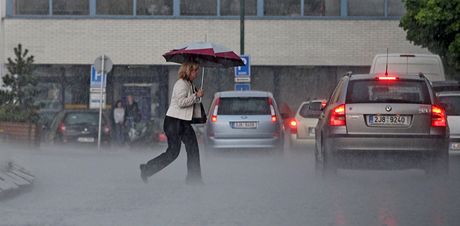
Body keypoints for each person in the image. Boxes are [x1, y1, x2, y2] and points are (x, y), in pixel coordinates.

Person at [139, 62, 203, 184]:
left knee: (193, 148)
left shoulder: (189, 84)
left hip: (183, 122)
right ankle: (147, 169)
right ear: (188, 71)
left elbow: (190, 102)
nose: (197, 73)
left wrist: (198, 96)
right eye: (195, 71)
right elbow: (180, 102)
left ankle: (194, 179)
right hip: (173, 122)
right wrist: (195, 96)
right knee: (173, 153)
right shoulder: (181, 84)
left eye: (197, 71)